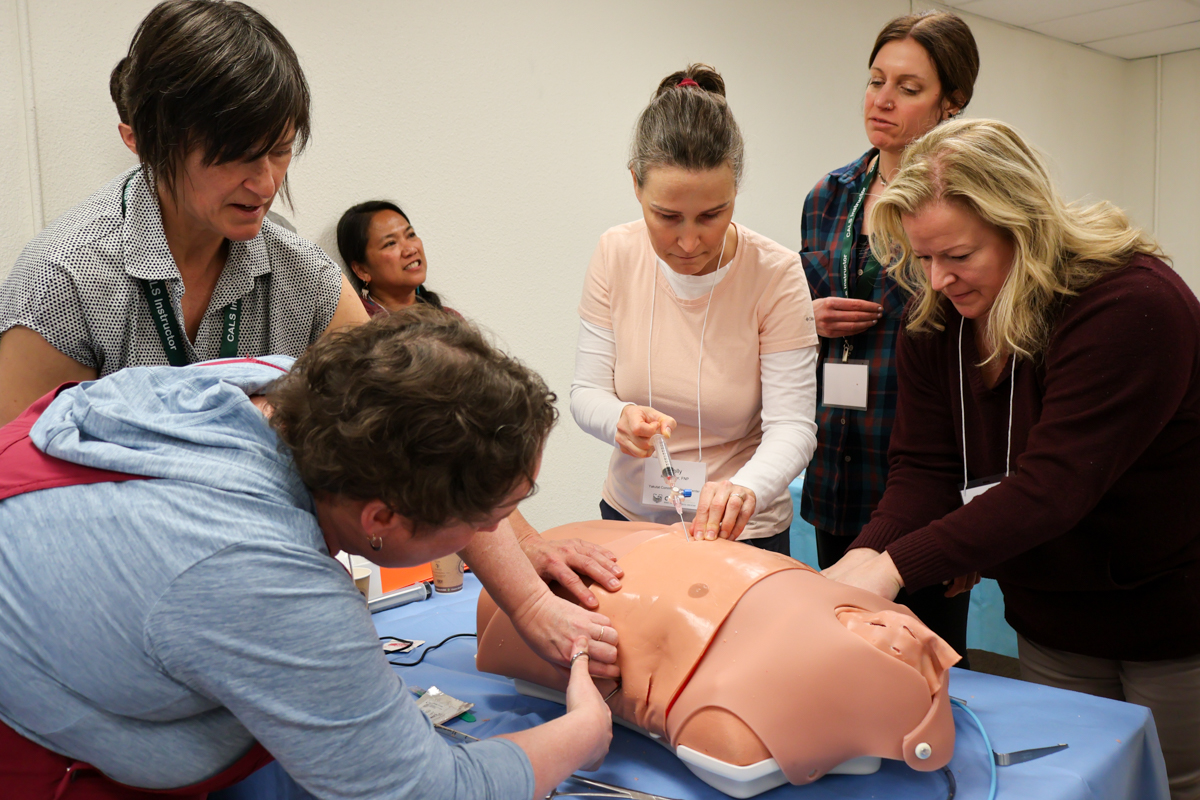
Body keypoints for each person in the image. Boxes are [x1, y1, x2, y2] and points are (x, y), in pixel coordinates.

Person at [0, 308, 614, 799]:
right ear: (383, 519)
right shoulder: (257, 573)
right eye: (493, 518)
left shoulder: (295, 389)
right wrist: (582, 734)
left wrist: (532, 604)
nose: (508, 533)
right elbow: (422, 791)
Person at [824, 118, 1200, 800]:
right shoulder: (938, 318)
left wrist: (893, 568)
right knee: (1079, 779)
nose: (937, 280)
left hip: (1176, 616)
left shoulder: (1131, 305)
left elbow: (1053, 488)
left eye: (959, 255)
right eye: (923, 257)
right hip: (1053, 614)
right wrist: (863, 555)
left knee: (1169, 784)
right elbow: (923, 471)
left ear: (1023, 225)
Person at [0, 0, 368, 428]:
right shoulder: (65, 283)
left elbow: (380, 423)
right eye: (235, 156)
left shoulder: (307, 281)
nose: (266, 185)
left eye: (281, 150)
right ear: (151, 142)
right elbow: (25, 474)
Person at [571, 64, 819, 554]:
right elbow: (586, 391)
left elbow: (793, 427)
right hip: (630, 516)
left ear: (735, 193)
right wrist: (617, 417)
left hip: (740, 528)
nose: (688, 241)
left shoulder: (777, 273)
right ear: (636, 185)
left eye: (712, 215)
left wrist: (744, 488)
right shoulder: (615, 252)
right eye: (666, 217)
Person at [798, 10, 979, 655]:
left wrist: (968, 519)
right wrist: (804, 321)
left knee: (919, 671)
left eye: (909, 88)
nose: (882, 99)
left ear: (950, 104)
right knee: (837, 661)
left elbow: (988, 361)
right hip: (837, 474)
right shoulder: (829, 196)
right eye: (876, 80)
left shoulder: (967, 204)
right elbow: (789, 322)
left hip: (926, 485)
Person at [338, 200, 450, 316]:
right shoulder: (355, 326)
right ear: (362, 270)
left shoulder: (451, 321)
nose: (411, 250)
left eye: (411, 235)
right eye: (390, 243)